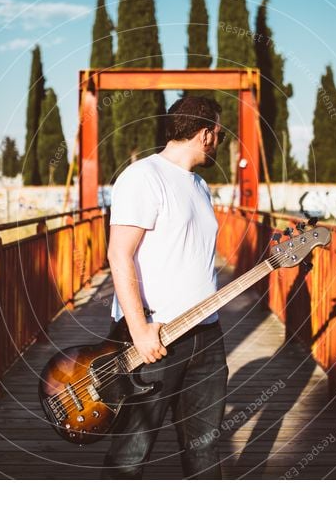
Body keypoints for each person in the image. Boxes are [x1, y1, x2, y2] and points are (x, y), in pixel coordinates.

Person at [101, 96, 229, 480]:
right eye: (219, 134)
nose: (219, 142)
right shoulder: (143, 176)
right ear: (206, 134)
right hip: (154, 338)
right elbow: (119, 254)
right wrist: (139, 331)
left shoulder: (200, 186)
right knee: (132, 452)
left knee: (204, 448)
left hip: (206, 338)